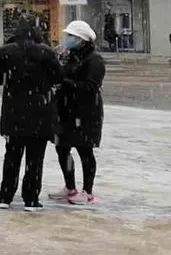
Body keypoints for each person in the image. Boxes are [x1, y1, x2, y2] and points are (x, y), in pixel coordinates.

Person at [0, 15, 63, 211]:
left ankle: (5, 196)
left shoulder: (5, 52)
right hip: (40, 112)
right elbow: (58, 77)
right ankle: (31, 198)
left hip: (13, 112)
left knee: (12, 156)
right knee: (35, 158)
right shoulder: (46, 53)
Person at [50, 20, 105, 206]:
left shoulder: (94, 60)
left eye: (72, 37)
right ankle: (70, 187)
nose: (68, 39)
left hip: (86, 112)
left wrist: (64, 81)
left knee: (85, 150)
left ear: (82, 40)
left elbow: (90, 87)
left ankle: (87, 191)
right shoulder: (69, 56)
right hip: (66, 110)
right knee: (62, 148)